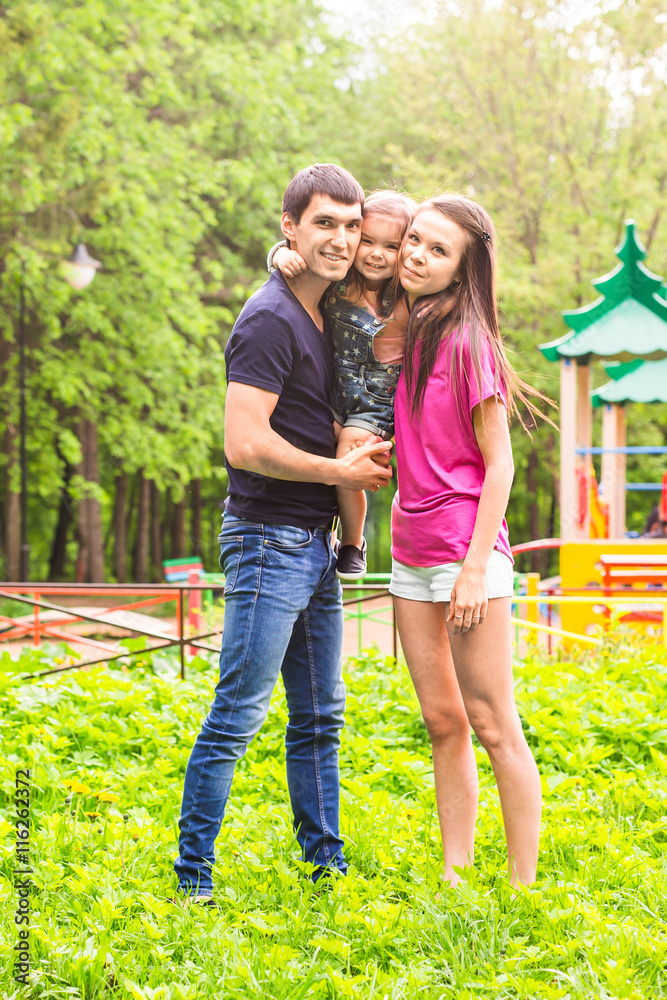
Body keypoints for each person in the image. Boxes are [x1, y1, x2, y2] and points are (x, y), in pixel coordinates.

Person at [174, 164, 393, 904]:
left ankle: (324, 870)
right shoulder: (269, 319)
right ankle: (192, 879)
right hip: (268, 538)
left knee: (319, 718)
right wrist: (340, 474)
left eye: (349, 223)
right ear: (289, 227)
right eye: (322, 222)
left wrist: (340, 497)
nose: (340, 237)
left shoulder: (324, 307)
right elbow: (244, 444)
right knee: (238, 711)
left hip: (315, 544)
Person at [389, 194, 548, 887]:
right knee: (440, 721)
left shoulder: (468, 341)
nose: (416, 255)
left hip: (463, 551)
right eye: (413, 241)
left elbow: (500, 462)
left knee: (491, 722)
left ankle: (521, 882)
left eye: (436, 250)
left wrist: (474, 569)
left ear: (461, 270)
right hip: (408, 547)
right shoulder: (407, 330)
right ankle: (454, 875)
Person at [269, 191, 414, 580]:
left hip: (373, 402)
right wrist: (279, 255)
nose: (376, 254)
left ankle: (352, 541)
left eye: (391, 246)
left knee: (348, 455)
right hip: (331, 386)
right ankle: (314, 530)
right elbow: (296, 257)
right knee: (310, 440)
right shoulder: (339, 277)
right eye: (367, 240)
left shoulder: (404, 294)